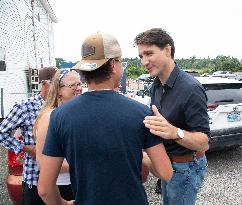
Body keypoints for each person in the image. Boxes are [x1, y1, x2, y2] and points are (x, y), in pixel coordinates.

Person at [37, 31, 173, 205]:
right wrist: (141, 153)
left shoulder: (59, 116)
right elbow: (166, 172)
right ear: (113, 65)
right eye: (120, 61)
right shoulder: (140, 113)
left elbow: (45, 189)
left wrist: (63, 203)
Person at [134, 28, 210, 205]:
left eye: (149, 53)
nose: (144, 61)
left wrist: (174, 132)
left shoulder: (190, 89)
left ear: (167, 50)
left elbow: (204, 142)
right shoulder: (156, 85)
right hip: (167, 166)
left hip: (186, 168)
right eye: (141, 56)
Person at [0, 67, 57, 205]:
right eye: (56, 84)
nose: (59, 88)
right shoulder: (25, 106)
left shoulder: (63, 106)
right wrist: (24, 148)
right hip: (34, 178)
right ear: (44, 84)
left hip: (60, 180)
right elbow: (2, 132)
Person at [34, 68, 82, 201]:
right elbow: (42, 163)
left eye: (79, 84)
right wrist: (83, 163)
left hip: (75, 183)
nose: (78, 88)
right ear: (59, 90)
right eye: (73, 85)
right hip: (59, 187)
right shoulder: (50, 116)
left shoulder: (73, 114)